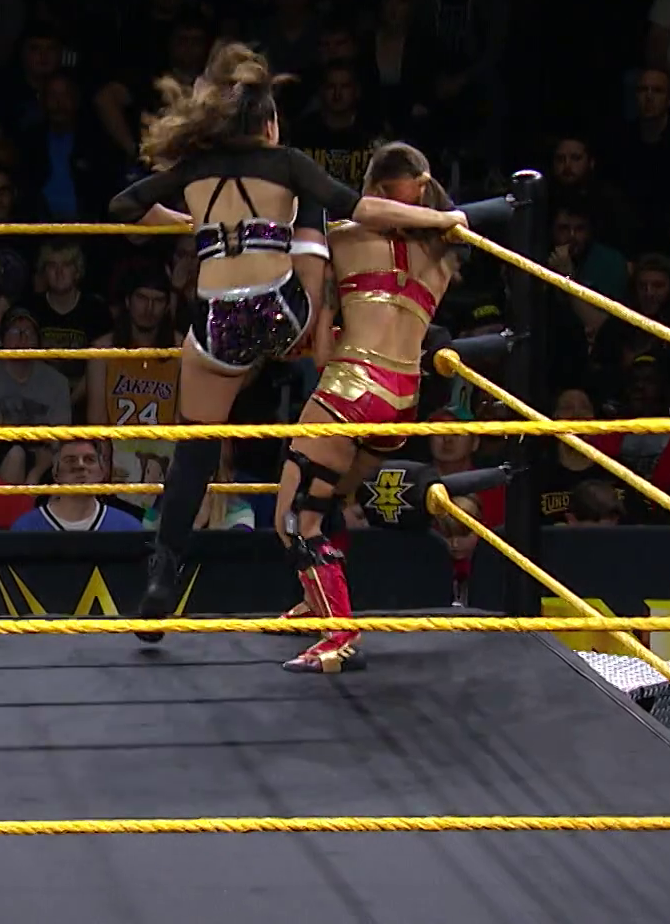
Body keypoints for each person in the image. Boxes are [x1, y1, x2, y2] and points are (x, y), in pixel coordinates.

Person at [112, 43, 463, 634]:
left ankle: (163, 572)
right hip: (286, 315)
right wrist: (441, 217)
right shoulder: (288, 163)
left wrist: (193, 224)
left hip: (219, 325)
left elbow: (124, 206)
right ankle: (328, 336)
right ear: (269, 124)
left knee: (196, 446)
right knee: (312, 208)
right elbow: (359, 208)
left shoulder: (193, 169)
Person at [275, 142, 479, 673]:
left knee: (294, 518)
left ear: (374, 190)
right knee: (328, 499)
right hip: (403, 400)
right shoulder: (444, 255)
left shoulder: (345, 235)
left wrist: (326, 312)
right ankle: (318, 602)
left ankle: (339, 633)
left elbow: (322, 354)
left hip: (352, 387)